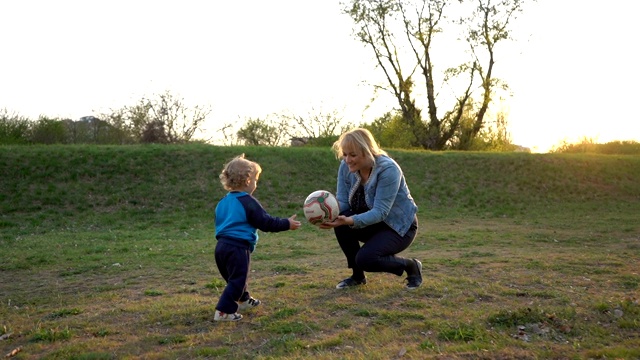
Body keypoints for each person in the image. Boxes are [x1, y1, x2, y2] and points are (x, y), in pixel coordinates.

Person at [320, 128, 422, 290]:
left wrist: (350, 220)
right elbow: (343, 203)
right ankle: (357, 277)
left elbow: (381, 212)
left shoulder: (389, 170)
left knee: (366, 259)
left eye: (353, 155)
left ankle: (411, 266)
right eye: (345, 154)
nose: (347, 160)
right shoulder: (345, 167)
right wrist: (327, 212)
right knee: (341, 223)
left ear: (367, 151)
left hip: (398, 227)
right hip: (371, 224)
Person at [213, 154, 301, 321]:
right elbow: (266, 222)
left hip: (221, 248)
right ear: (247, 180)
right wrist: (286, 224)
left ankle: (244, 300)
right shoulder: (247, 201)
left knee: (235, 279)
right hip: (237, 248)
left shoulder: (223, 202)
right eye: (255, 179)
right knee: (237, 281)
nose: (255, 183)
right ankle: (223, 311)